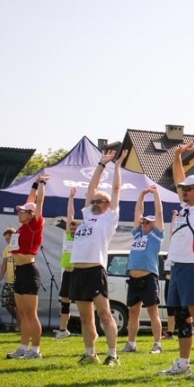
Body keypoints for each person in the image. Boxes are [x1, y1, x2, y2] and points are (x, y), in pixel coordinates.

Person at [158, 141, 194, 378]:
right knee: (183, 317)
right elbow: (178, 177)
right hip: (177, 267)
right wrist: (177, 156)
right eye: (183, 189)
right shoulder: (184, 207)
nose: (184, 191)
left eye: (189, 189)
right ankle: (183, 363)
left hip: (193, 267)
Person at [70, 149, 127, 366]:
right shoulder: (86, 216)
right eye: (93, 200)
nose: (94, 202)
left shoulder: (108, 219)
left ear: (108, 205)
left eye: (100, 201)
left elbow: (115, 189)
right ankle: (90, 354)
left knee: (104, 314)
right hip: (78, 271)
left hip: (95, 270)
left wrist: (117, 166)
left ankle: (112, 355)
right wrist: (101, 165)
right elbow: (91, 188)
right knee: (85, 316)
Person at [7, 174, 49, 359]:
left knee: (31, 314)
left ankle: (36, 350)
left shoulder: (35, 225)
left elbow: (38, 203)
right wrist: (34, 183)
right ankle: (23, 348)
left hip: (30, 271)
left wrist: (43, 183)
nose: (19, 213)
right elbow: (31, 200)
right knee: (22, 313)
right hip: (19, 271)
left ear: (31, 215)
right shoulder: (23, 227)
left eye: (22, 212)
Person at [122, 185, 165, 355]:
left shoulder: (156, 235)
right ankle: (131, 344)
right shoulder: (138, 234)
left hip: (148, 277)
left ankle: (157, 344)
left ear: (153, 224)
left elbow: (159, 213)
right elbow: (137, 213)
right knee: (133, 311)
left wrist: (155, 195)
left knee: (153, 311)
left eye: (147, 222)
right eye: (143, 222)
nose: (144, 223)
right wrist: (141, 195)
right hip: (134, 278)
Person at [55, 196, 80, 340]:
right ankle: (63, 329)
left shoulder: (81, 239)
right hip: (67, 272)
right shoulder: (67, 236)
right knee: (65, 301)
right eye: (71, 227)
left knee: (82, 302)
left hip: (77, 272)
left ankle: (87, 327)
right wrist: (71, 198)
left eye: (76, 228)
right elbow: (70, 214)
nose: (73, 229)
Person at [0, 227, 18, 327]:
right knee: (6, 302)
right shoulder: (7, 249)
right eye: (6, 239)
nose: (7, 241)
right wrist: (0, 276)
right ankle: (20, 321)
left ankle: (20, 325)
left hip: (18, 280)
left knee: (18, 304)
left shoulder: (19, 247)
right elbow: (4, 264)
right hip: (9, 280)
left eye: (9, 238)